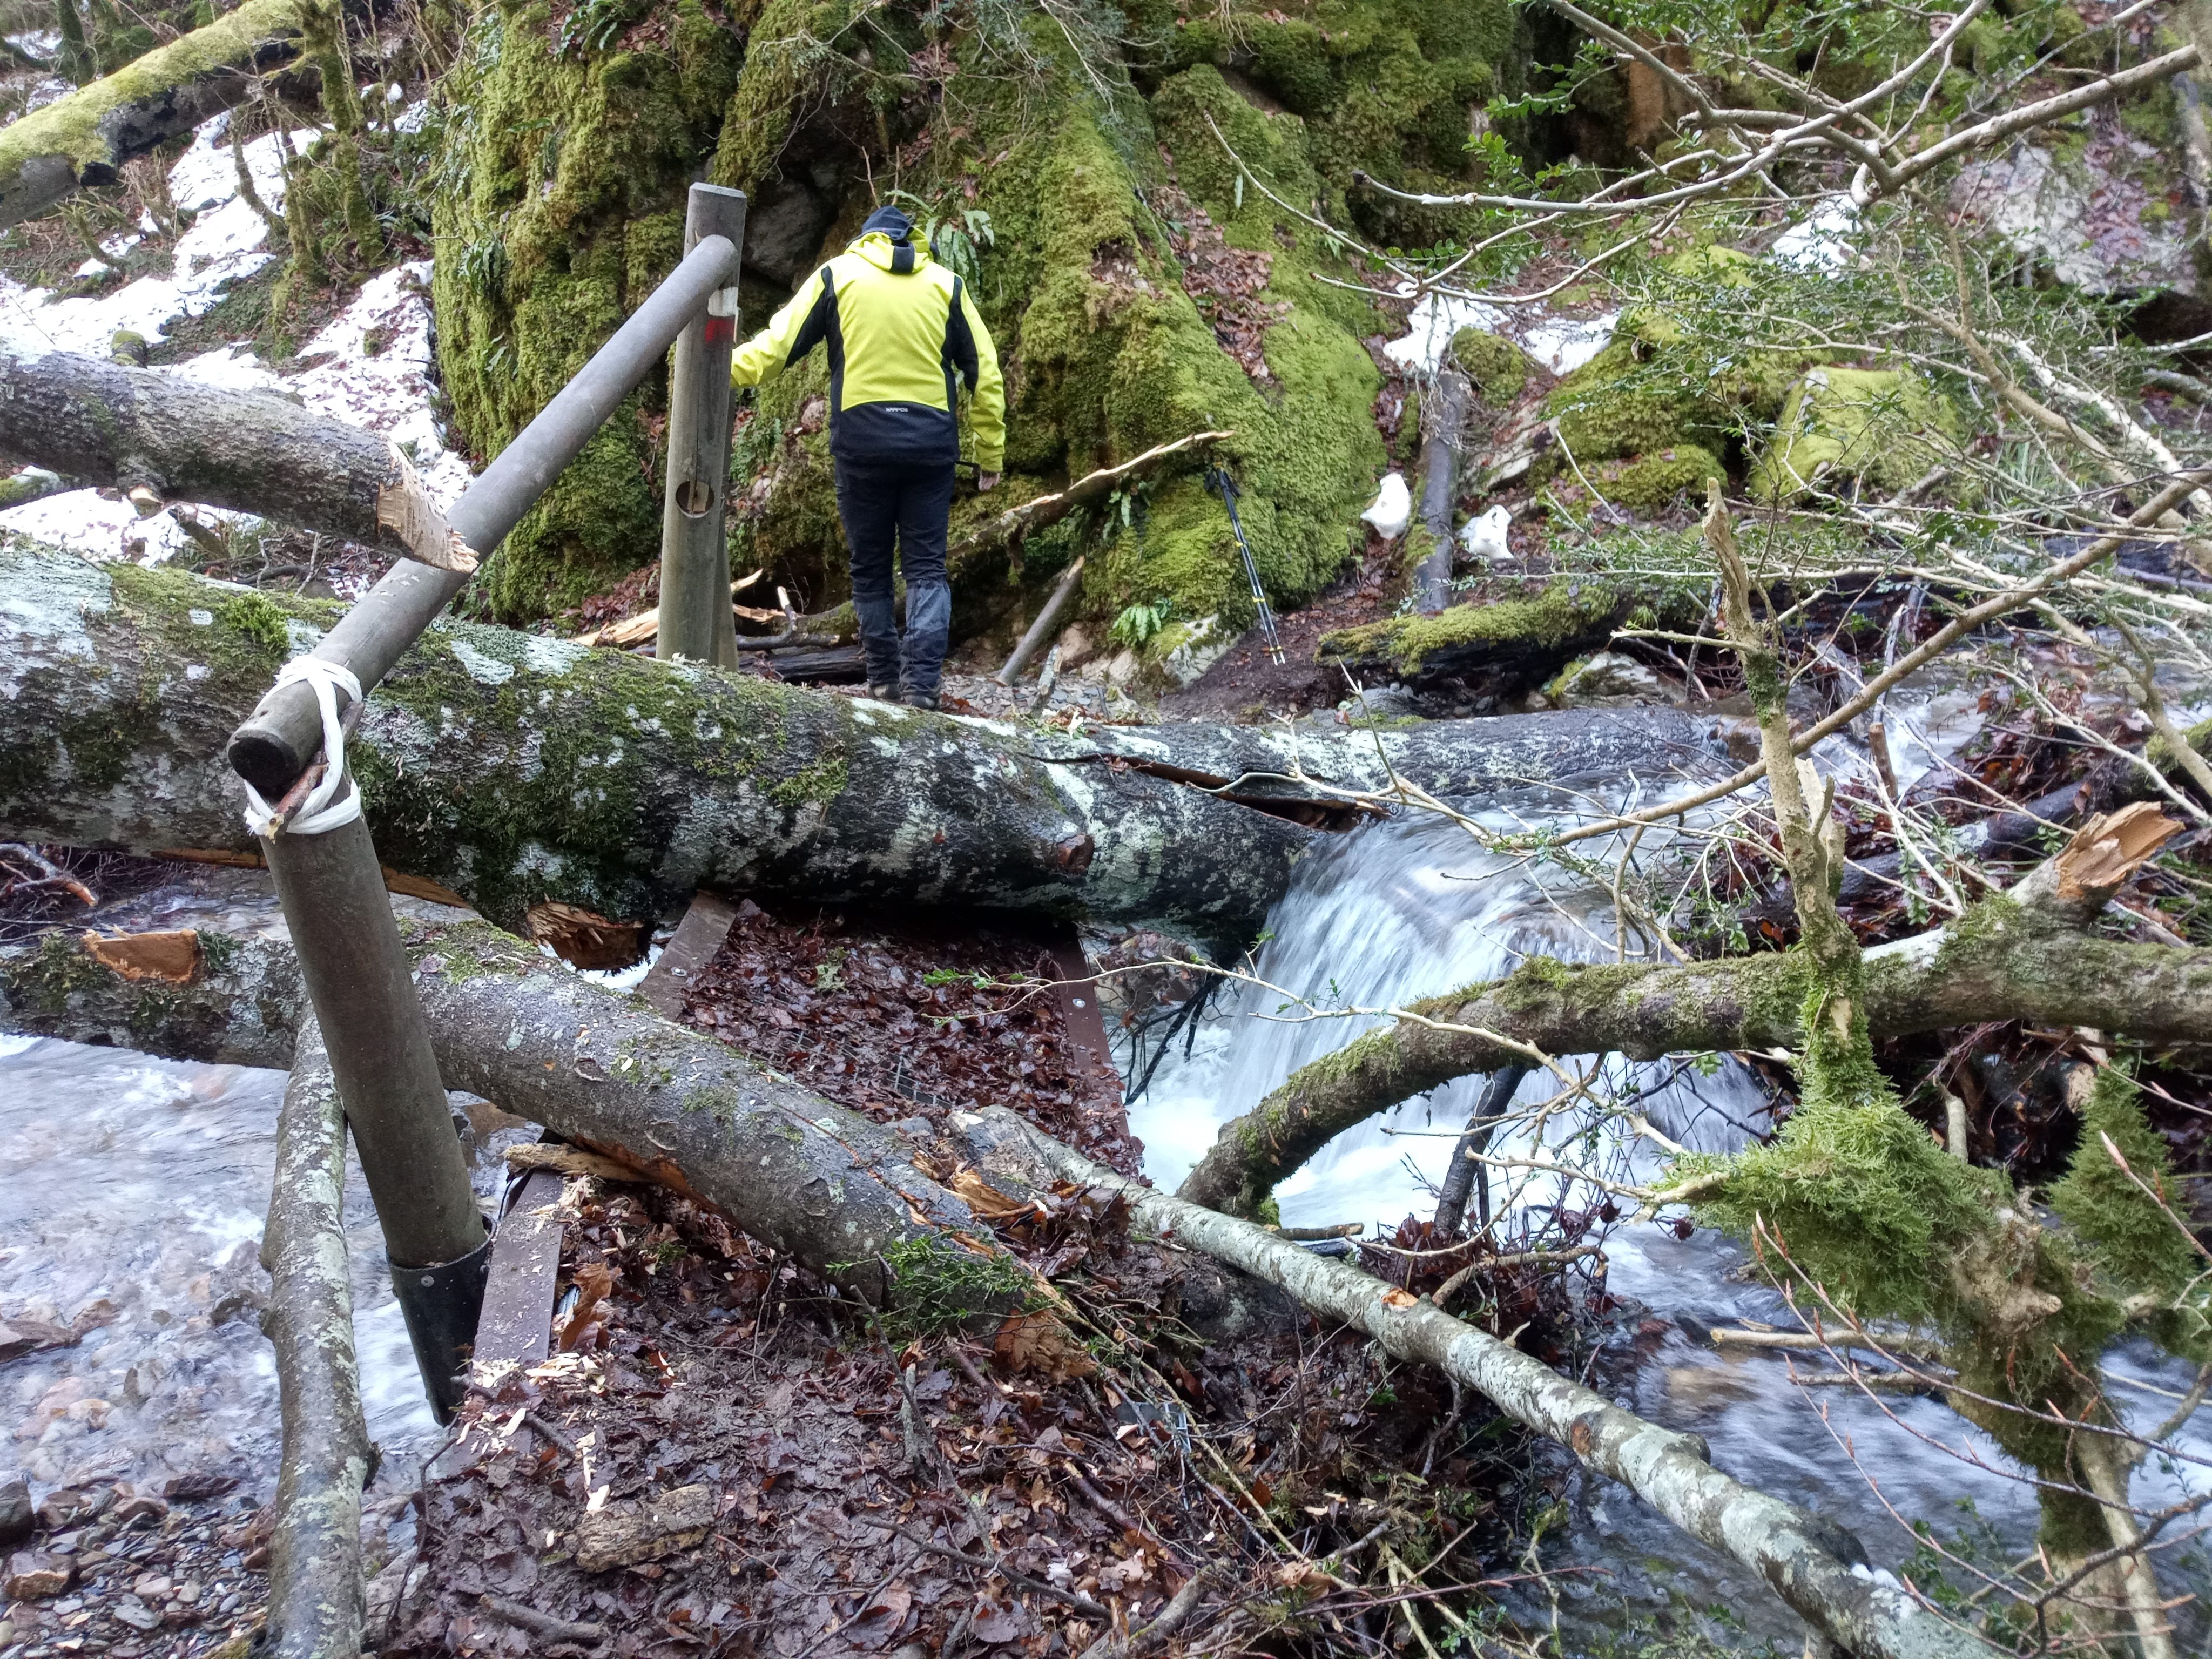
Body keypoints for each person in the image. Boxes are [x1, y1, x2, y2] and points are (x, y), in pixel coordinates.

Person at [729, 203, 1006, 710]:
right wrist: (991, 454)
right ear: (913, 241)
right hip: (930, 447)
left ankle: (882, 682)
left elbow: (774, 349)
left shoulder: (838, 276)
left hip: (862, 445)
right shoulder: (948, 286)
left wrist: (715, 366)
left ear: (866, 238)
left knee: (871, 569)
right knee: (926, 568)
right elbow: (985, 376)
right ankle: (922, 688)